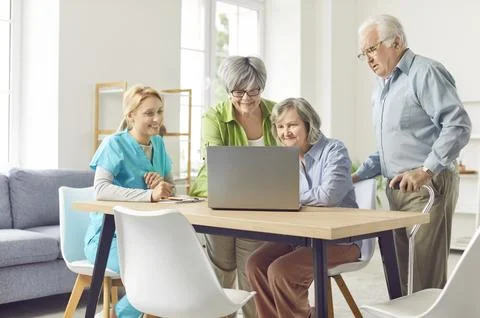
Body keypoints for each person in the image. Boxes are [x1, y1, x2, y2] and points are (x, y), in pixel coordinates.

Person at [352, 14, 471, 294]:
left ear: (397, 41)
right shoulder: (382, 87)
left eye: (372, 49)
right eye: (363, 53)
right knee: (400, 274)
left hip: (426, 187)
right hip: (398, 189)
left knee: (423, 279)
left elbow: (458, 125)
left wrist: (425, 171)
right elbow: (391, 147)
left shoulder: (425, 72)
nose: (368, 58)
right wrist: (359, 173)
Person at [246, 97, 361, 318]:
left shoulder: (334, 150)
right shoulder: (284, 158)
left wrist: (286, 198)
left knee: (282, 271)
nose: (284, 132)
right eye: (280, 126)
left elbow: (328, 196)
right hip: (301, 237)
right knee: (256, 264)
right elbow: (275, 197)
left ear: (309, 124)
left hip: (341, 239)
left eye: (291, 125)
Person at [189, 56, 277, 318]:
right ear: (229, 90)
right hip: (219, 200)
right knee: (222, 267)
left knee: (251, 268)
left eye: (254, 91)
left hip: (261, 206)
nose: (246, 98)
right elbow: (215, 161)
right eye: (238, 92)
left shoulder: (277, 113)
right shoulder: (213, 117)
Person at [84, 84, 175, 318]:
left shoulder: (159, 144)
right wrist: (148, 195)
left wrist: (161, 187)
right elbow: (101, 189)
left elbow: (171, 188)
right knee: (152, 274)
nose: (157, 119)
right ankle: (115, 315)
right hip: (108, 238)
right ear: (131, 115)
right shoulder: (114, 144)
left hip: (145, 236)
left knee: (178, 267)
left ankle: (117, 314)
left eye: (159, 111)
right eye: (149, 113)